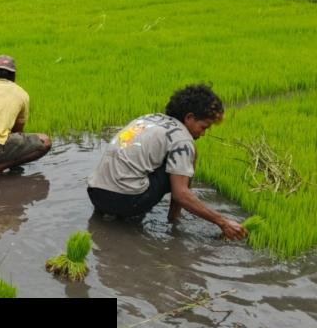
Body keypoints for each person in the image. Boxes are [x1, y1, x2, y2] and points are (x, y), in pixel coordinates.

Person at [86, 83, 247, 240]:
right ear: (189, 117)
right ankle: (173, 219)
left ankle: (108, 215)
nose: (203, 134)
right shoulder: (182, 140)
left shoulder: (148, 118)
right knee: (185, 166)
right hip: (125, 201)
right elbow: (180, 194)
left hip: (95, 193)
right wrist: (223, 222)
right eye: (204, 127)